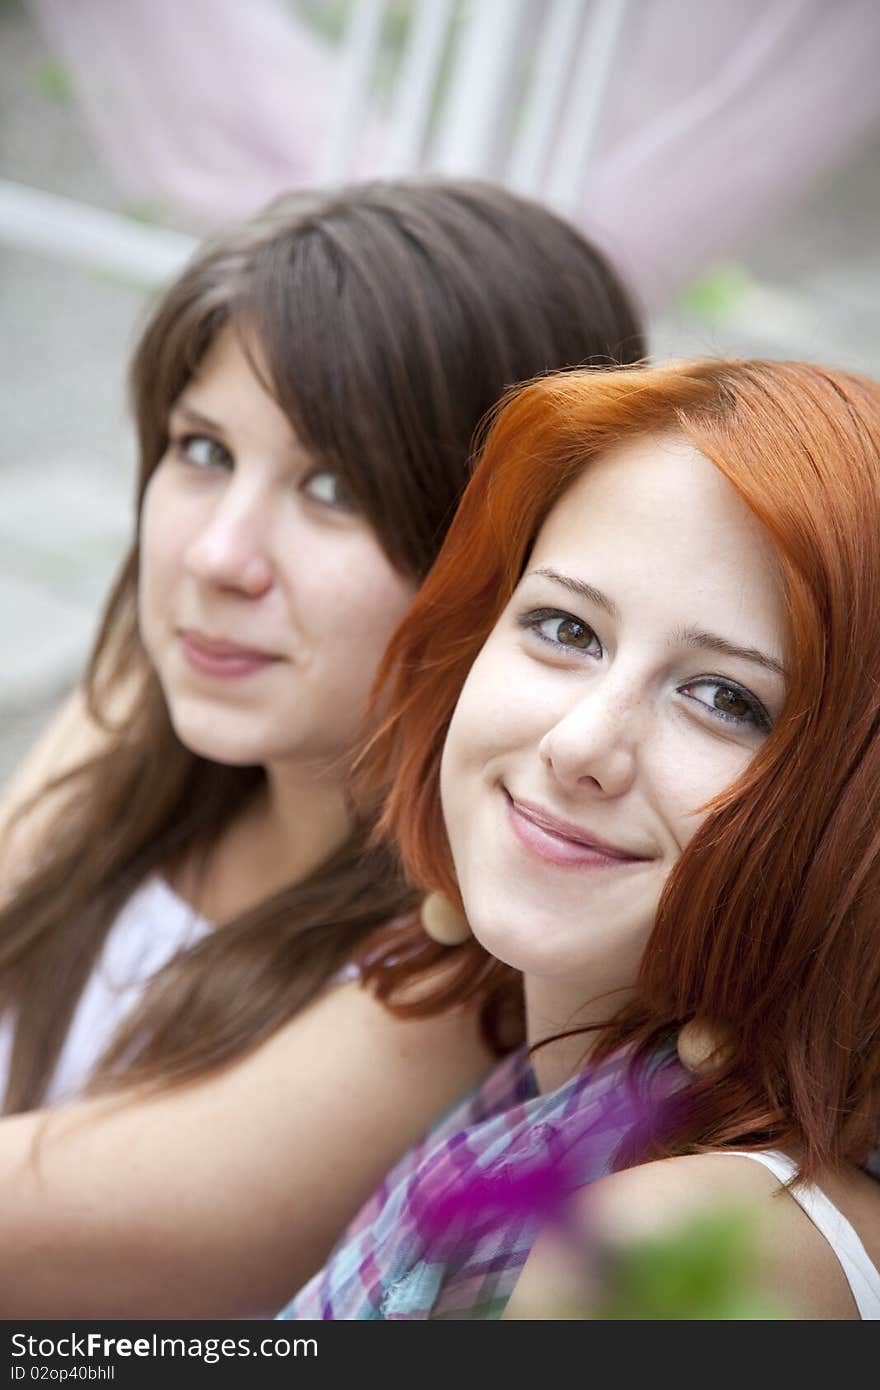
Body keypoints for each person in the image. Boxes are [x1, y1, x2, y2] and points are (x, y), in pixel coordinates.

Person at [0, 179, 645, 1318]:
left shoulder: (477, 957)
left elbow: (82, 1230)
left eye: (331, 486)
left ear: (502, 555)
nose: (218, 556)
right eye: (200, 449)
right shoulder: (155, 696)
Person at [281, 358, 880, 1320]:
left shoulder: (681, 1246)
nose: (580, 745)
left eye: (724, 698)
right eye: (565, 626)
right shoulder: (542, 1062)